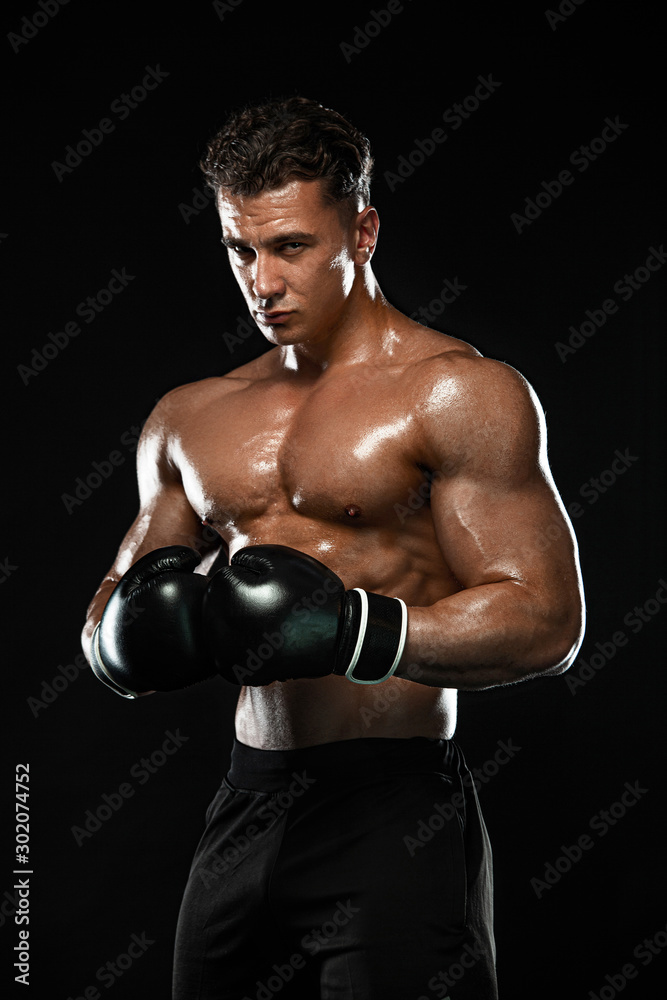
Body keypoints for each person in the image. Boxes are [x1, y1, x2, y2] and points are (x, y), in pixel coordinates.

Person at [82, 95, 585, 1000]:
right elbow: (110, 608)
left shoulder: (457, 393)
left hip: (392, 808)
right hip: (246, 802)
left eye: (290, 248)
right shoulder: (190, 417)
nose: (261, 283)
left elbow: (545, 619)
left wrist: (355, 629)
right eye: (240, 249)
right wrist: (126, 634)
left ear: (362, 231)